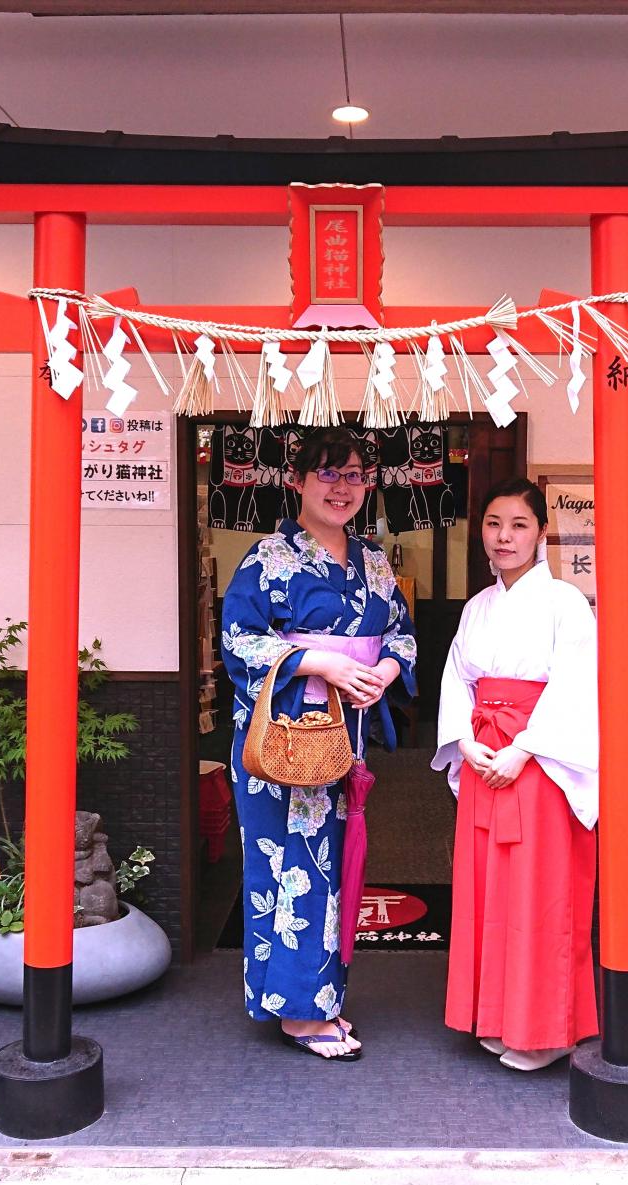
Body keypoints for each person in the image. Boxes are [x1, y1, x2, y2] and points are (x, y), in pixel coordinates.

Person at [221, 427, 417, 1060]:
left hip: (343, 736)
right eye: (328, 474)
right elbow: (241, 642)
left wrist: (384, 671)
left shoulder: (375, 561)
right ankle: (299, 1013)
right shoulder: (267, 558)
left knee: (332, 867)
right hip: (283, 740)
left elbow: (400, 637)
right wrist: (320, 664)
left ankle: (323, 999)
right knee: (288, 868)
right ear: (297, 482)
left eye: (355, 475)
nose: (342, 488)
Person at [434, 477, 599, 1070]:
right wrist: (465, 740)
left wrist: (525, 749)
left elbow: (577, 687)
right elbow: (458, 678)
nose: (504, 537)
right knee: (488, 894)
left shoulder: (566, 603)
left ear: (542, 533)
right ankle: (497, 1015)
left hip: (540, 764)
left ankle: (547, 1031)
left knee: (541, 895)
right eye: (494, 524)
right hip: (485, 756)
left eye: (519, 525)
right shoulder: (479, 607)